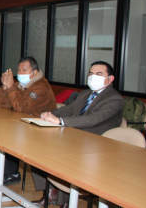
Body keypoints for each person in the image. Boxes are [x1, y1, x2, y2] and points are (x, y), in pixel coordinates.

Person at [31, 61, 124, 208]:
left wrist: (60, 121)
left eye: (99, 74)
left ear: (110, 79)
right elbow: (68, 109)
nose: (93, 77)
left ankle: (64, 201)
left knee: (59, 153)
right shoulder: (86, 94)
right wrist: (49, 114)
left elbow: (93, 119)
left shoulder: (115, 99)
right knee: (36, 149)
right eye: (91, 73)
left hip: (98, 145)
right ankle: (49, 193)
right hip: (75, 137)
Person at [0, 56, 57, 186]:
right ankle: (1, 169)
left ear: (35, 72)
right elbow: (2, 105)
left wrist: (11, 88)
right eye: (19, 70)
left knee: (10, 135)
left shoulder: (41, 87)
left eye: (24, 70)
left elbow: (20, 107)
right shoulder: (20, 85)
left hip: (43, 130)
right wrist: (5, 87)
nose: (20, 73)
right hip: (24, 124)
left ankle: (12, 173)